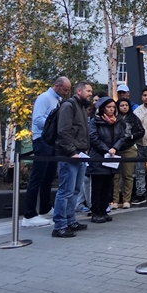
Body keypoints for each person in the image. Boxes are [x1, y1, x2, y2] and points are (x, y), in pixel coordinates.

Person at [22, 76, 70, 228]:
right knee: (37, 176)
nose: (66, 93)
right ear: (57, 86)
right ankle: (29, 214)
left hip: (50, 141)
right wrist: (55, 126)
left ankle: (44, 207)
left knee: (48, 176)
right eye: (65, 90)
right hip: (41, 140)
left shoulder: (56, 100)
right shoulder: (44, 98)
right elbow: (37, 119)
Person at [52, 81, 93, 238]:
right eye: (88, 90)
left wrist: (84, 149)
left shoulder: (81, 107)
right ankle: (60, 225)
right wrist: (71, 152)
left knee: (75, 190)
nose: (90, 93)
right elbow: (63, 131)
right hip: (70, 155)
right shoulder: (69, 106)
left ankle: (70, 221)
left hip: (80, 153)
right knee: (65, 191)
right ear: (78, 91)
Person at [88, 97, 132, 223]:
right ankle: (96, 211)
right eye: (108, 107)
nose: (111, 110)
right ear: (102, 108)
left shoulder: (118, 121)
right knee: (97, 187)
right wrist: (106, 149)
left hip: (112, 158)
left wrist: (115, 148)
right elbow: (93, 138)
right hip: (98, 157)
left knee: (108, 186)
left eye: (113, 107)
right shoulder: (95, 121)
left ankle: (103, 210)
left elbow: (122, 136)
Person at [113, 98, 145, 207]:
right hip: (115, 149)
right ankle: (115, 200)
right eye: (122, 105)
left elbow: (141, 131)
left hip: (129, 147)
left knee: (128, 175)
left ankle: (126, 200)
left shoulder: (134, 118)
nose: (124, 107)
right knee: (115, 176)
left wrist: (132, 136)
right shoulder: (114, 118)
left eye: (126, 105)